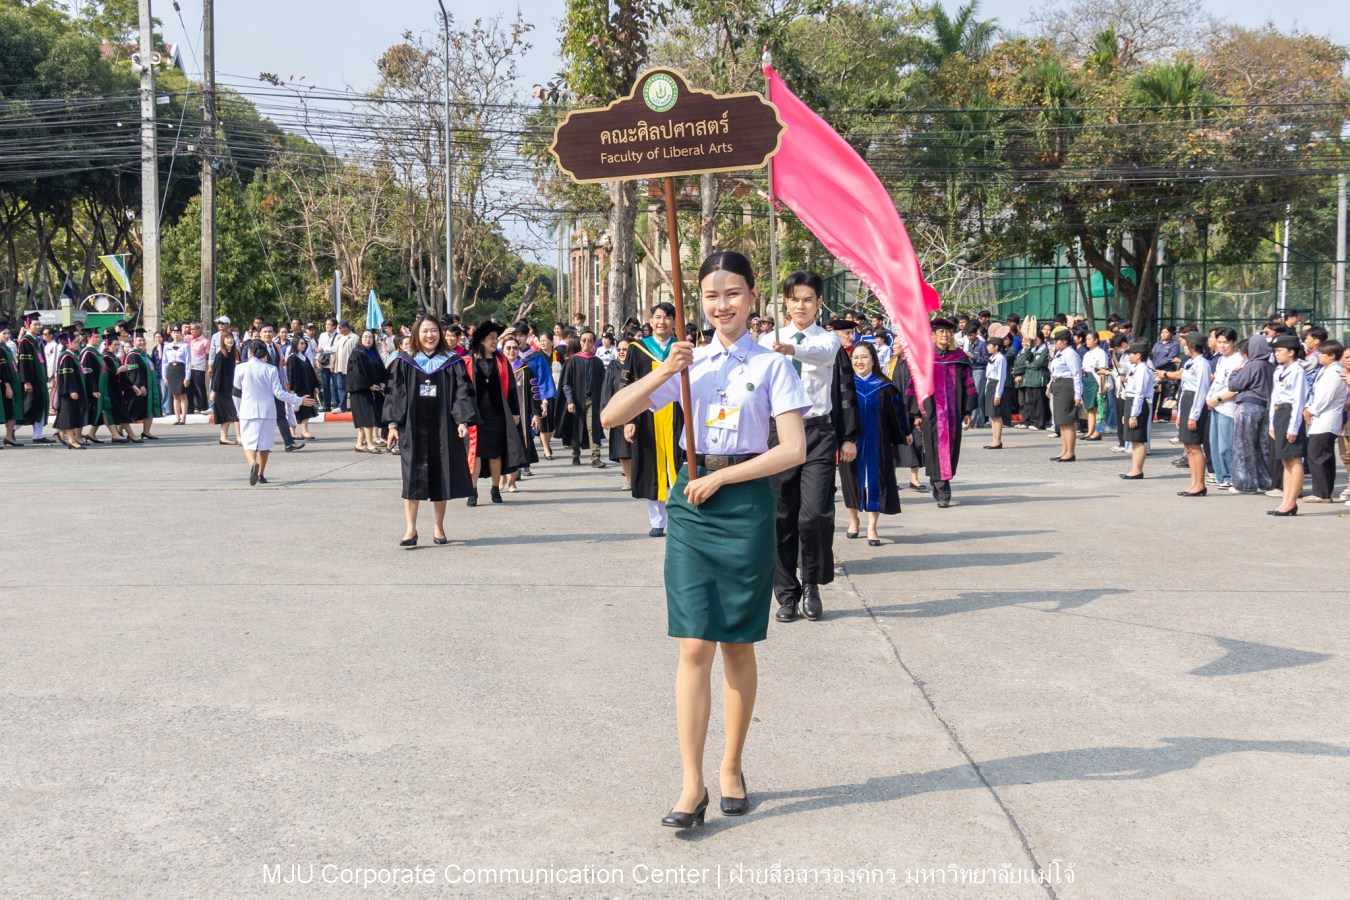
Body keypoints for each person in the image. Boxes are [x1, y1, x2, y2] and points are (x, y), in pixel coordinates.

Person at [598, 250, 810, 830]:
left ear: (752, 296)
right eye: (712, 296)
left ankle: (731, 765)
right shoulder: (687, 363)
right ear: (701, 302)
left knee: (737, 643)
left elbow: (793, 449)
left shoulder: (773, 366)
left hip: (742, 502)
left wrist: (722, 476)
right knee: (693, 643)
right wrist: (665, 371)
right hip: (690, 508)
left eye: (734, 293)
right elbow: (611, 418)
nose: (723, 306)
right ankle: (690, 784)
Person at [760, 273, 860, 622]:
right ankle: (786, 594)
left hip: (818, 432)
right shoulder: (765, 339)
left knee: (814, 513)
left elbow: (818, 356)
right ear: (785, 302)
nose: (799, 306)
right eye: (793, 299)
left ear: (819, 302)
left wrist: (790, 349)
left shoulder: (828, 340)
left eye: (807, 299)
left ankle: (812, 581)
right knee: (782, 515)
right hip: (778, 433)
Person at [384, 315, 480, 545]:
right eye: (425, 331)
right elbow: (396, 394)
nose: (430, 335)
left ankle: (438, 528)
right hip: (412, 427)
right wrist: (392, 425)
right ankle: (410, 530)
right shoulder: (405, 361)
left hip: (443, 427)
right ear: (416, 333)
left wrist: (462, 421)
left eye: (434, 331)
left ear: (440, 333)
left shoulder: (451, 361)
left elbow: (461, 392)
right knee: (411, 478)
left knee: (441, 476)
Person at [622, 302, 685, 537]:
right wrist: (629, 418)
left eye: (667, 317)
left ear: (673, 322)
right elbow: (628, 386)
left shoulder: (682, 348)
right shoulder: (638, 348)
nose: (662, 321)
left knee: (681, 466)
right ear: (650, 321)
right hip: (647, 415)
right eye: (658, 317)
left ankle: (681, 519)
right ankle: (657, 521)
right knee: (652, 469)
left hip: (678, 415)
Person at [841, 340, 908, 545]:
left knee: (876, 484)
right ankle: (854, 521)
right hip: (850, 444)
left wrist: (905, 432)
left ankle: (872, 527)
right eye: (856, 358)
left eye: (864, 357)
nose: (859, 361)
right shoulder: (844, 387)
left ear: (873, 360)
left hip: (878, 444)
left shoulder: (885, 387)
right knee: (851, 483)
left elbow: (896, 415)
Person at [906, 318, 976, 508]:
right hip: (931, 412)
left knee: (949, 449)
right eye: (941, 332)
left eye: (948, 332)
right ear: (933, 335)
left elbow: (969, 383)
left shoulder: (959, 357)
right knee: (935, 449)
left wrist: (968, 411)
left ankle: (939, 481)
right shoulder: (924, 358)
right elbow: (914, 385)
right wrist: (916, 414)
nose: (945, 335)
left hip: (953, 413)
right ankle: (943, 489)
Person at [234, 341, 315, 484]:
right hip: (268, 411)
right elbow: (279, 393)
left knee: (249, 443)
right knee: (264, 445)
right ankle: (260, 474)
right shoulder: (271, 369)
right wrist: (299, 400)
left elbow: (236, 393)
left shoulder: (240, 368)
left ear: (250, 352)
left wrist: (238, 410)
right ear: (264, 354)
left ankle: (253, 463)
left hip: (247, 410)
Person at [467, 320, 529, 504]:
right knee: (475, 453)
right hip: (475, 415)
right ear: (482, 341)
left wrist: (515, 412)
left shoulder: (501, 361)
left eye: (496, 338)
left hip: (497, 414)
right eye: (492, 338)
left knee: (495, 453)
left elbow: (510, 389)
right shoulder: (469, 361)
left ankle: (495, 489)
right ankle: (473, 491)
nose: (496, 341)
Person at [1267, 333, 1309, 516]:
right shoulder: (1279, 371)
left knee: (1294, 458)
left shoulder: (1298, 371)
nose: (1276, 354)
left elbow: (1299, 400)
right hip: (1279, 414)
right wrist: (1271, 423)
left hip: (1291, 414)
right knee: (1285, 460)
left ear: (1291, 352)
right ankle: (1286, 499)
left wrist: (1293, 427)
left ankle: (1292, 501)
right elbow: (1274, 398)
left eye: (1279, 350)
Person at [1304, 340, 1346, 503]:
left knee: (1318, 455)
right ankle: (1323, 491)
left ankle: (1321, 493)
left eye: (1322, 353)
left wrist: (1310, 410)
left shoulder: (1334, 372)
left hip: (1326, 418)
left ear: (1332, 355)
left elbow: (1325, 397)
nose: (1319, 356)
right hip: (1321, 418)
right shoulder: (1326, 370)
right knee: (1321, 455)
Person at [558, 330, 607, 468]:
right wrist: (570, 401)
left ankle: (595, 457)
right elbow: (566, 384)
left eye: (590, 340)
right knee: (576, 426)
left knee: (593, 427)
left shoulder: (597, 362)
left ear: (594, 343)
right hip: (576, 400)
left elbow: (603, 384)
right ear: (580, 342)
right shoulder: (572, 361)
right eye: (584, 340)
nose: (586, 343)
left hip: (593, 399)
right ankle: (575, 453)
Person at [1174, 332, 1212, 496]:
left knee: (1195, 446)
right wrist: (1181, 413)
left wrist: (1193, 416)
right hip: (1187, 401)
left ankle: (1200, 484)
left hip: (1195, 404)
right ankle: (1193, 482)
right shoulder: (1190, 362)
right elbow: (1184, 389)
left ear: (1192, 345)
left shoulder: (1202, 364)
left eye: (1185, 343)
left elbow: (1201, 391)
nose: (1183, 346)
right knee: (1188, 446)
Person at [502, 334, 541, 490]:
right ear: (503, 350)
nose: (512, 351)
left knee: (516, 446)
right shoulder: (497, 368)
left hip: (521, 416)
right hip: (500, 414)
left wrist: (536, 414)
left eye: (515, 348)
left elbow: (534, 393)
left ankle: (512, 480)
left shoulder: (526, 370)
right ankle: (501, 479)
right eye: (508, 348)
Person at [886, 346, 927, 491]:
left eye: (896, 344)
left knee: (916, 444)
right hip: (895, 410)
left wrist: (918, 414)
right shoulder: (890, 364)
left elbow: (921, 389)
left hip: (912, 411)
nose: (893, 347)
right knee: (893, 446)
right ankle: (893, 479)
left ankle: (914, 478)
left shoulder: (915, 363)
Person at [347, 329, 388, 454]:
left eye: (370, 337)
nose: (368, 339)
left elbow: (381, 370)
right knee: (367, 418)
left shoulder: (373, 353)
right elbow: (355, 374)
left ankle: (359, 444)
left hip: (372, 390)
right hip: (360, 391)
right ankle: (369, 444)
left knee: (366, 419)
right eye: (365, 337)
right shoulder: (356, 354)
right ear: (361, 339)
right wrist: (369, 385)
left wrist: (382, 381)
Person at [1119, 341, 1155, 480]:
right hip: (1131, 402)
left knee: (1138, 438)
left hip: (1137, 404)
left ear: (1138, 355)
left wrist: (1134, 415)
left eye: (1131, 354)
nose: (1129, 357)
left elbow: (1140, 393)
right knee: (1133, 439)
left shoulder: (1142, 370)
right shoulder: (1136, 368)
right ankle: (1134, 468)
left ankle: (1138, 470)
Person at [520, 333, 558, 460]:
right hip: (514, 399)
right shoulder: (507, 356)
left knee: (540, 424)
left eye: (521, 335)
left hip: (533, 397)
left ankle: (526, 462)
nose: (519, 338)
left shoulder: (536, 357)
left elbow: (543, 380)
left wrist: (544, 399)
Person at [1048, 326, 1082, 462]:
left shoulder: (1070, 354)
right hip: (1058, 384)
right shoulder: (1059, 353)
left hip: (1067, 386)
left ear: (1064, 341)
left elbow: (1076, 374)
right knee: (1061, 421)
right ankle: (1064, 449)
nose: (1055, 343)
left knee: (1067, 421)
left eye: (1057, 340)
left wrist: (1078, 395)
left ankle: (1070, 452)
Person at [602, 337, 633, 485]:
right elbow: (607, 390)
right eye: (619, 349)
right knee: (623, 449)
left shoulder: (637, 365)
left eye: (625, 349)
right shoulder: (613, 367)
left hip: (637, 411)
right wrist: (606, 411)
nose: (621, 352)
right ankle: (629, 480)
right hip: (619, 412)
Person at [17, 315, 52, 443]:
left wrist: (46, 374)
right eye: (35, 324)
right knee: (30, 407)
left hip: (40, 379)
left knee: (41, 406)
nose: (38, 327)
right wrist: (26, 381)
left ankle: (38, 435)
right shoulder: (25, 341)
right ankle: (12, 430)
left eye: (39, 324)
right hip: (31, 379)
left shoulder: (38, 340)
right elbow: (23, 363)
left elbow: (42, 360)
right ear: (28, 325)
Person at [52, 330, 87, 449]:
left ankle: (61, 434)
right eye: (75, 342)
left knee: (68, 414)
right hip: (68, 392)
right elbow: (67, 376)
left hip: (73, 389)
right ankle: (72, 440)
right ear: (67, 343)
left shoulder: (72, 355)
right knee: (69, 415)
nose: (77, 344)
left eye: (78, 342)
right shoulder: (66, 357)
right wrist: (71, 390)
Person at [124, 332, 161, 440]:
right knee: (131, 410)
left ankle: (146, 432)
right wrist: (141, 385)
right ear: (133, 342)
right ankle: (119, 431)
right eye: (139, 340)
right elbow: (135, 372)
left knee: (148, 410)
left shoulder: (143, 354)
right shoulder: (133, 355)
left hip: (147, 387)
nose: (142, 342)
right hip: (137, 388)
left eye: (143, 340)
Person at [286, 337, 321, 442]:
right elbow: (291, 374)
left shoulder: (304, 357)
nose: (303, 345)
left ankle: (304, 430)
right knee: (296, 409)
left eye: (304, 343)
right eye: (301, 343)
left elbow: (311, 373)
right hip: (299, 388)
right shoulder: (292, 358)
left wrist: (315, 385)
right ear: (295, 344)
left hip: (308, 387)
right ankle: (294, 432)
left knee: (306, 408)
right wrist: (292, 389)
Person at [211, 331, 241, 444]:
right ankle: (238, 437)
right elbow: (216, 374)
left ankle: (223, 438)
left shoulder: (233, 354)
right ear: (222, 341)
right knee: (233, 413)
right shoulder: (220, 356)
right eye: (227, 338)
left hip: (231, 387)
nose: (230, 340)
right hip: (222, 389)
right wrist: (213, 391)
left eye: (231, 338)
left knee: (228, 415)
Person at [982, 336, 1008, 449]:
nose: (988, 347)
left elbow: (1001, 378)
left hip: (996, 386)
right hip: (990, 385)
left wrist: (998, 394)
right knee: (992, 415)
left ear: (996, 347)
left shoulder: (1000, 358)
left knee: (996, 414)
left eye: (990, 345)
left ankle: (998, 440)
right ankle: (994, 439)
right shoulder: (992, 357)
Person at [162, 325, 191, 424]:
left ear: (181, 334)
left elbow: (188, 363)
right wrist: (164, 376)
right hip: (171, 370)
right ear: (171, 334)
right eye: (174, 333)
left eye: (178, 332)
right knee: (175, 395)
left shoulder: (185, 346)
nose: (176, 334)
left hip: (181, 370)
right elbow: (164, 362)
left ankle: (183, 418)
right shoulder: (167, 346)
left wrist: (187, 377)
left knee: (183, 395)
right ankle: (177, 417)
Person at [0, 324, 22, 447]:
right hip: (5, 384)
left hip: (13, 382)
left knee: (12, 411)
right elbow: (2, 370)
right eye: (4, 333)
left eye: (8, 333)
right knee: (4, 411)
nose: (7, 336)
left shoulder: (6, 347)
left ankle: (9, 437)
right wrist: (7, 385)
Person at [330, 320, 358, 412]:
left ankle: (354, 406)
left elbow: (357, 353)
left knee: (352, 387)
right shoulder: (339, 338)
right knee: (340, 387)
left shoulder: (354, 337)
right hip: (339, 367)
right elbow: (335, 351)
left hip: (350, 367)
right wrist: (333, 363)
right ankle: (342, 407)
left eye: (340, 327)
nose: (339, 329)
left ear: (346, 327)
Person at [186, 322, 211, 413]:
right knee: (189, 388)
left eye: (193, 329)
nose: (191, 331)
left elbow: (208, 355)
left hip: (198, 366)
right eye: (190, 329)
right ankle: (190, 407)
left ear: (199, 329)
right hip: (188, 366)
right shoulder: (188, 339)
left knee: (199, 387)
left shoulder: (205, 341)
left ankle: (202, 406)